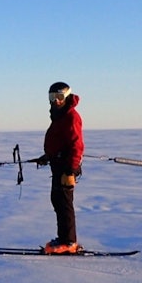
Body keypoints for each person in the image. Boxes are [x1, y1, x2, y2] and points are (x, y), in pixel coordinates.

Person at [39, 82, 84, 254]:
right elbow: (59, 142)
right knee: (57, 200)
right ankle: (64, 238)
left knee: (64, 203)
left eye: (59, 97)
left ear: (66, 97)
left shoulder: (71, 116)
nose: (56, 101)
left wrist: (70, 172)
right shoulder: (60, 115)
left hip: (66, 168)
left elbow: (76, 146)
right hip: (58, 165)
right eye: (52, 97)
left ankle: (69, 242)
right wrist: (48, 156)